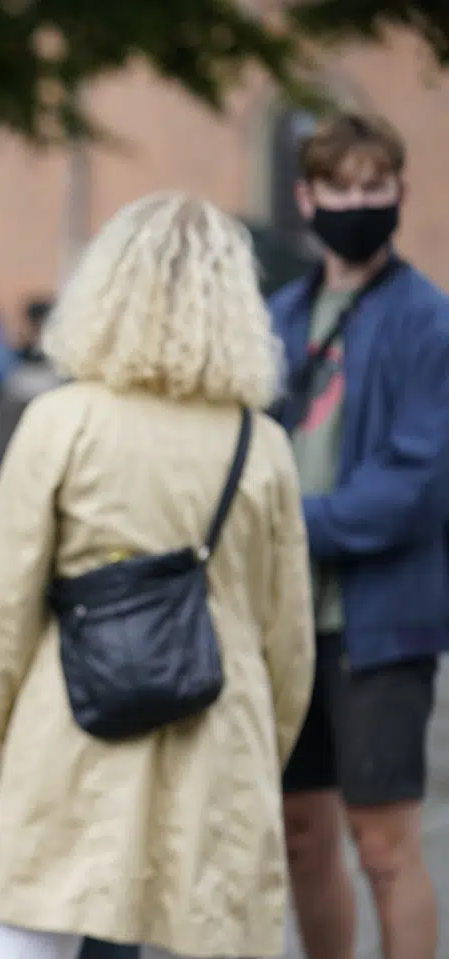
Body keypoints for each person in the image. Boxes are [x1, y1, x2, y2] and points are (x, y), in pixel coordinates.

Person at [0, 192, 315, 959]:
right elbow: (290, 644)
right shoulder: (266, 445)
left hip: (73, 729)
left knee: (34, 927)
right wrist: (259, 753)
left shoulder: (62, 421)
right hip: (219, 740)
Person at [268, 112, 449, 959]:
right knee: (302, 833)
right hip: (286, 624)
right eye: (340, 188)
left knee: (383, 843)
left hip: (380, 625)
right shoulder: (276, 315)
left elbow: (413, 490)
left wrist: (278, 526)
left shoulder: (427, 321)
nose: (357, 202)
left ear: (400, 194)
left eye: (373, 187)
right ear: (307, 197)